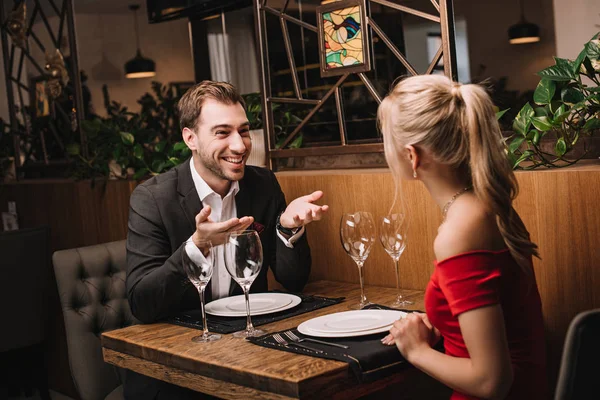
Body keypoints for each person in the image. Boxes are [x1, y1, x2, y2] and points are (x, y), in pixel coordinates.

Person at [125, 80, 328, 399]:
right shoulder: (153, 198)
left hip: (250, 357)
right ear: (190, 137)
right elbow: (142, 303)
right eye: (222, 133)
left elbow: (294, 282)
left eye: (244, 131)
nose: (240, 145)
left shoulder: (262, 184)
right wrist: (196, 246)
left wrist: (287, 228)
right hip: (176, 373)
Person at [378, 75, 547, 400]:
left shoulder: (460, 232)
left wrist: (416, 350)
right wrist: (443, 321)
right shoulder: (490, 205)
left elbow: (492, 382)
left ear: (413, 156)